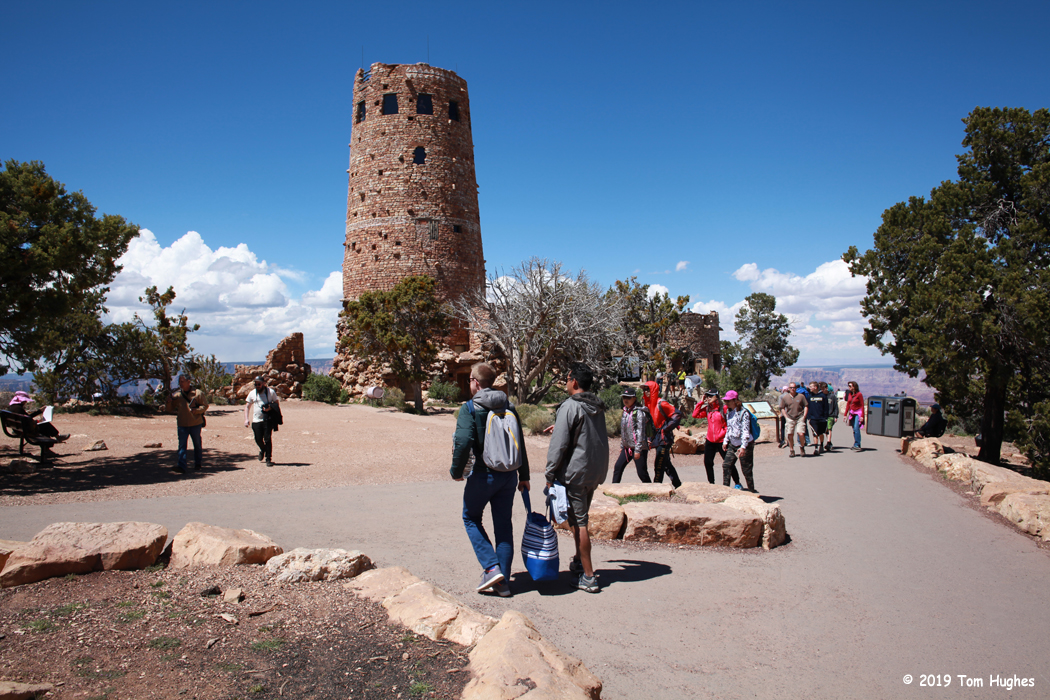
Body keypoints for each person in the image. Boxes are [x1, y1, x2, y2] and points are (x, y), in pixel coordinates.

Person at [451, 362, 530, 598]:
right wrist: (524, 475)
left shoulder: (470, 408)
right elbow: (519, 440)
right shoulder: (508, 405)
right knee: (503, 525)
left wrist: (456, 472)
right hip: (508, 475)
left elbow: (462, 442)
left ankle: (492, 568)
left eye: (470, 381)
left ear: (476, 383)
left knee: (470, 518)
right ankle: (502, 582)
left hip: (482, 475)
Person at [545, 362, 608, 593]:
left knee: (580, 522)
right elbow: (585, 433)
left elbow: (558, 445)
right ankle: (579, 561)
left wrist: (550, 473)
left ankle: (589, 577)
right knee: (578, 518)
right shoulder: (596, 405)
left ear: (574, 382)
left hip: (576, 473)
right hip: (594, 471)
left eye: (567, 378)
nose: (566, 382)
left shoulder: (570, 406)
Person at [642, 380, 682, 488]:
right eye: (644, 390)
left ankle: (657, 487)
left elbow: (677, 414)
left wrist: (666, 428)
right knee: (666, 464)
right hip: (656, 436)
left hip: (664, 437)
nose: (646, 392)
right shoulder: (648, 404)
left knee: (659, 463)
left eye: (648, 389)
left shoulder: (661, 403)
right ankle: (678, 485)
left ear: (653, 390)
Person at [166, 374, 208, 474]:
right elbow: (169, 409)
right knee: (182, 446)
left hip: (195, 423)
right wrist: (168, 402)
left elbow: (205, 406)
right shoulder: (178, 396)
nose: (180, 384)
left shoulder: (198, 393)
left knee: (197, 444)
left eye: (182, 381)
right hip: (182, 424)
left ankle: (198, 463)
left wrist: (197, 411)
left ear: (188, 382)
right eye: (179, 382)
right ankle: (181, 466)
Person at [612, 386, 651, 483]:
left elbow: (641, 432)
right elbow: (624, 430)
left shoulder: (639, 413)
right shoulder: (625, 411)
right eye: (624, 397)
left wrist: (638, 450)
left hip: (639, 448)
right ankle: (614, 488)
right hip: (627, 447)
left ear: (634, 398)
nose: (626, 400)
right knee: (618, 467)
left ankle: (651, 488)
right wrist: (622, 445)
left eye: (628, 398)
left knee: (642, 473)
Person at [721, 390, 755, 492]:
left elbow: (746, 431)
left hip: (745, 445)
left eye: (728, 401)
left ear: (735, 400)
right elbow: (729, 427)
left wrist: (743, 446)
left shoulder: (744, 413)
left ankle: (752, 492)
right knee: (726, 465)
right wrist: (726, 440)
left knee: (746, 470)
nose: (726, 403)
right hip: (733, 444)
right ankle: (725, 490)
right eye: (725, 401)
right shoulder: (729, 412)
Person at [692, 391, 727, 484]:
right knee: (708, 462)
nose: (708, 398)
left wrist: (722, 434)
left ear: (717, 396)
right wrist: (701, 402)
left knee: (728, 462)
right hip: (710, 440)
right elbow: (695, 415)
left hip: (722, 440)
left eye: (711, 396)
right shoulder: (708, 409)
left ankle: (737, 482)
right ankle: (711, 483)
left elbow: (729, 424)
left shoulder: (723, 408)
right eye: (707, 396)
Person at [244, 376, 280, 466]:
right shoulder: (252, 393)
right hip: (256, 420)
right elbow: (247, 406)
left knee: (267, 439)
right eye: (256, 384)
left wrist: (270, 408)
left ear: (264, 383)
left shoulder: (270, 392)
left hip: (267, 420)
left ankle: (268, 459)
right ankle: (263, 449)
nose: (257, 386)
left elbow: (276, 403)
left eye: (259, 384)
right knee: (258, 439)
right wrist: (246, 419)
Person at [779, 382, 808, 457]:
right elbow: (782, 407)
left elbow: (806, 405)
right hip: (790, 418)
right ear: (789, 388)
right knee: (790, 434)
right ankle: (791, 450)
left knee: (801, 433)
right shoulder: (785, 397)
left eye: (794, 387)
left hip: (800, 417)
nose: (793, 389)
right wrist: (786, 417)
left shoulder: (801, 396)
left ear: (796, 388)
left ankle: (802, 447)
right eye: (791, 387)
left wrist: (804, 416)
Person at [805, 381, 829, 455]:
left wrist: (826, 417)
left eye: (811, 386)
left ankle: (821, 445)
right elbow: (808, 407)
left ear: (815, 387)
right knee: (815, 433)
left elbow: (826, 407)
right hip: (813, 418)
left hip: (822, 418)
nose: (810, 388)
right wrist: (809, 416)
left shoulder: (823, 396)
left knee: (820, 433)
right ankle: (816, 448)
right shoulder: (809, 396)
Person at [844, 381, 865, 451]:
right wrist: (845, 414)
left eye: (850, 386)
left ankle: (857, 444)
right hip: (852, 413)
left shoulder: (859, 394)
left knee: (856, 428)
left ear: (854, 387)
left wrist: (862, 416)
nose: (849, 387)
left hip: (858, 413)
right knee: (854, 429)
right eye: (848, 386)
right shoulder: (850, 394)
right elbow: (848, 404)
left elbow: (862, 405)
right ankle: (856, 443)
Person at [823, 382, 838, 451]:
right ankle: (829, 442)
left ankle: (828, 443)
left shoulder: (832, 396)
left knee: (829, 428)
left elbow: (836, 406)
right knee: (826, 430)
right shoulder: (822, 396)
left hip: (831, 415)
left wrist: (836, 416)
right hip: (823, 416)